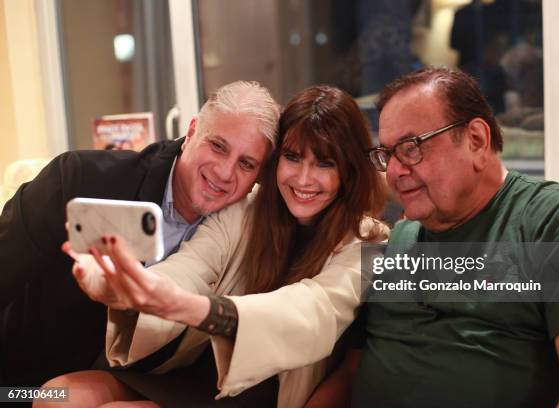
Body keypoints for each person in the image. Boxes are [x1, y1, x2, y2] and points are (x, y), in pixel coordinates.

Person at [37, 85, 388, 408]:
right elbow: (191, 267)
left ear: (349, 171)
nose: (303, 179)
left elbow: (307, 314)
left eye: (325, 163)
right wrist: (121, 288)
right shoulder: (247, 212)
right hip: (193, 375)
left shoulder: (369, 242)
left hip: (260, 395)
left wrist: (186, 306)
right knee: (55, 396)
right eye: (293, 157)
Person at [307, 66, 559, 407]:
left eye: (411, 147)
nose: (393, 170)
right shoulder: (394, 244)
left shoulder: (553, 221)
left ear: (476, 140)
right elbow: (351, 373)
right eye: (388, 154)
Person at [0, 80, 280, 386]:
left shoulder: (247, 229)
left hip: (147, 386)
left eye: (246, 163)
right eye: (217, 146)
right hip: (26, 383)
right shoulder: (79, 179)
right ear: (190, 132)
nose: (225, 173)